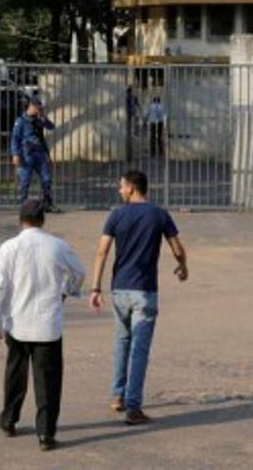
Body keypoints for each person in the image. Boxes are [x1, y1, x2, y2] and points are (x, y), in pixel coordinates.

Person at [0, 198, 86, 451]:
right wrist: (66, 291)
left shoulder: (9, 247)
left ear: (20, 220)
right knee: (48, 380)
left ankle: (9, 419)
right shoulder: (57, 246)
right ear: (43, 219)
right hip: (48, 325)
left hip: (18, 323)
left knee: (15, 375)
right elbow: (79, 272)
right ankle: (46, 434)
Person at [88, 170, 188, 425]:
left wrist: (96, 288)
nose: (119, 190)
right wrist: (182, 266)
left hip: (119, 290)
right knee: (139, 350)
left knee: (122, 342)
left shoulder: (116, 215)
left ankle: (117, 396)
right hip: (145, 291)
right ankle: (134, 406)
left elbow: (101, 252)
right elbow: (177, 248)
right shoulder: (159, 214)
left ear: (131, 188)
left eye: (121, 186)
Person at [10, 96, 56, 210]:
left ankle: (48, 204)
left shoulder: (39, 119)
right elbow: (15, 138)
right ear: (31, 106)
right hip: (26, 155)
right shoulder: (20, 121)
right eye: (37, 107)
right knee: (25, 181)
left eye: (40, 107)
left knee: (46, 179)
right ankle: (23, 205)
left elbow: (51, 127)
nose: (39, 109)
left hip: (40, 153)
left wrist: (43, 118)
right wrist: (15, 154)